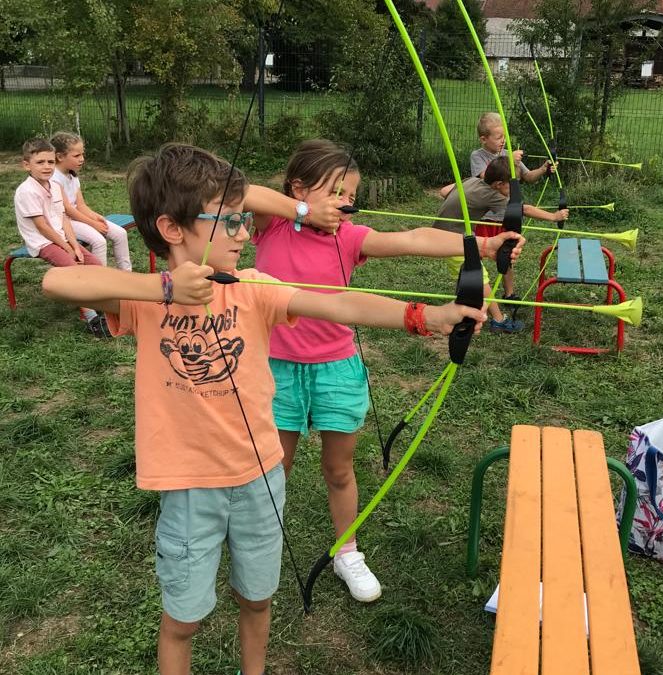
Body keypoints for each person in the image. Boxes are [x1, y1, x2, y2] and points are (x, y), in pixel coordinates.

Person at [41, 142, 488, 675]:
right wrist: (163, 286)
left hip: (260, 478)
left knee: (257, 600)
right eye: (228, 222)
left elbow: (338, 302)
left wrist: (425, 317)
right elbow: (58, 280)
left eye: (242, 221)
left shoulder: (254, 288)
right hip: (189, 486)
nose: (244, 233)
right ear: (172, 228)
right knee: (181, 621)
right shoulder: (142, 299)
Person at [245, 139, 524, 604]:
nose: (345, 203)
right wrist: (300, 211)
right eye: (334, 192)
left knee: (339, 468)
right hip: (276, 369)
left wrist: (483, 242)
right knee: (275, 468)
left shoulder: (349, 237)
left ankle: (346, 550)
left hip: (336, 367)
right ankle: (258, 545)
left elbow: (414, 238)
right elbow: (238, 191)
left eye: (350, 194)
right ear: (297, 187)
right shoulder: (270, 225)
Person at [434, 155, 568, 333]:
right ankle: (498, 320)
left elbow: (444, 191)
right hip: (452, 239)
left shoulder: (472, 181)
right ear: (498, 184)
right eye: (511, 186)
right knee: (480, 277)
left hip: (442, 234)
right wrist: (554, 216)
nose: (514, 190)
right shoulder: (491, 195)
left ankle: (464, 306)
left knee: (467, 274)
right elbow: (523, 209)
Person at [440, 112, 558, 311]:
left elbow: (527, 176)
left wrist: (544, 169)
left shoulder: (507, 154)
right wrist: (510, 159)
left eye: (504, 137)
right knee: (473, 258)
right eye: (498, 137)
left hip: (504, 217)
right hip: (485, 219)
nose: (502, 141)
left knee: (507, 256)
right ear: (484, 139)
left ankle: (509, 294)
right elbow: (487, 176)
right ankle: (469, 292)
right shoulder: (478, 156)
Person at [13, 138, 108, 337]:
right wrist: (67, 248)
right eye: (40, 162)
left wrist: (74, 245)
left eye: (50, 162)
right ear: (26, 165)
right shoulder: (26, 191)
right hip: (42, 242)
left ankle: (101, 303)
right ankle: (92, 318)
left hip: (62, 238)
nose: (47, 167)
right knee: (75, 270)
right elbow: (42, 226)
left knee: (95, 263)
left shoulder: (55, 186)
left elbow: (63, 218)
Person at [50, 131, 133, 271]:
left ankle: (126, 274)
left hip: (77, 218)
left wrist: (95, 216)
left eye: (82, 154)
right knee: (99, 241)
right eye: (76, 155)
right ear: (59, 157)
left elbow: (80, 205)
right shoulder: (54, 178)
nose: (82, 159)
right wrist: (92, 223)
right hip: (64, 222)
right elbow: (68, 209)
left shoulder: (72, 176)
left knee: (120, 233)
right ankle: (100, 284)